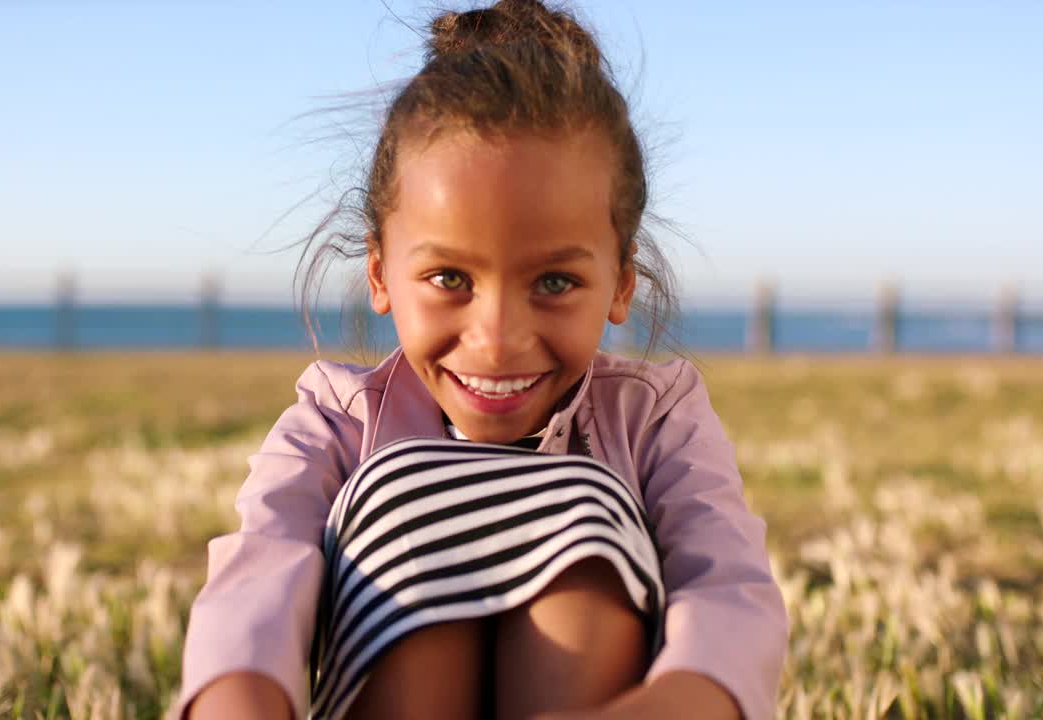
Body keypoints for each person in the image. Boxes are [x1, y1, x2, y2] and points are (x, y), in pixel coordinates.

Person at [177, 1, 788, 718]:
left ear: (622, 283)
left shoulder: (652, 418)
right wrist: (237, 697)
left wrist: (683, 700)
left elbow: (728, 588)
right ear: (379, 273)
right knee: (402, 494)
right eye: (450, 280)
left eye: (554, 283)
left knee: (582, 506)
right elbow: (257, 582)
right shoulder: (340, 421)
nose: (497, 338)